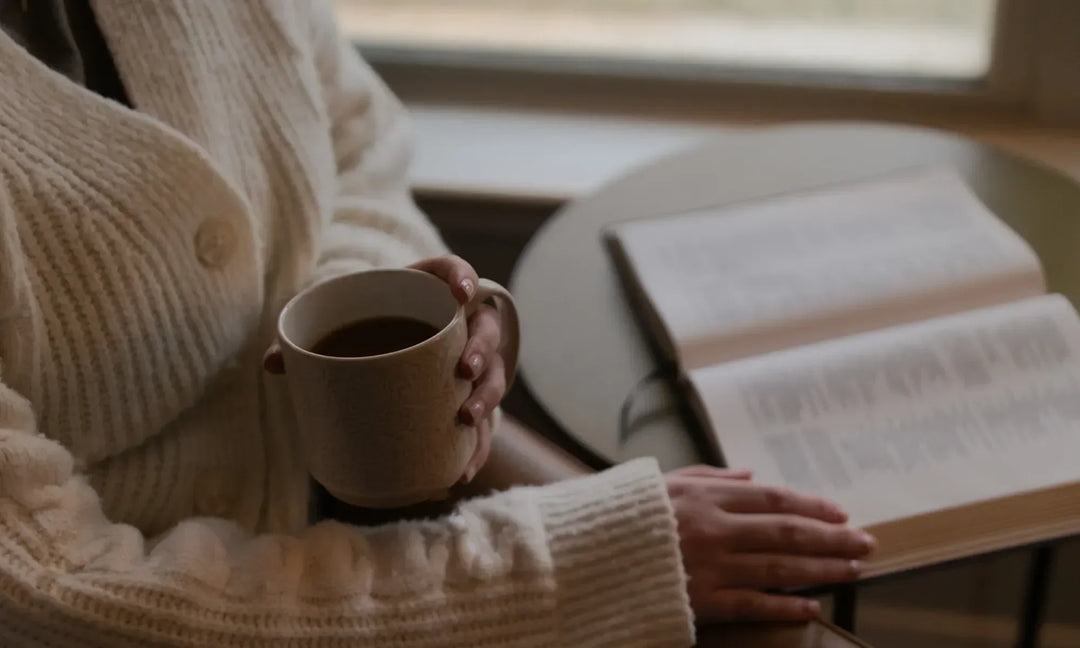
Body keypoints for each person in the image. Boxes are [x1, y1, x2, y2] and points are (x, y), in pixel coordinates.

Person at [0, 1, 874, 645]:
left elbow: (356, 147)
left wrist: (363, 317)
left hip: (339, 484)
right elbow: (62, 593)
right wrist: (586, 563)